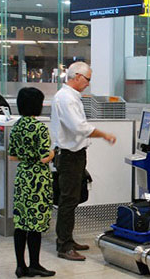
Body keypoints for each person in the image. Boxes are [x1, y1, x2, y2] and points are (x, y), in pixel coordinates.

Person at [51, 61, 116, 261]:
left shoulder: (71, 97)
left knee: (75, 197)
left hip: (75, 154)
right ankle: (64, 246)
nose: (88, 83)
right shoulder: (66, 98)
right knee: (68, 201)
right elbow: (79, 127)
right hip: (69, 156)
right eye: (87, 79)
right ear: (77, 76)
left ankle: (67, 239)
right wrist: (104, 134)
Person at [8, 87, 56, 278]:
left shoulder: (17, 125)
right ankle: (35, 264)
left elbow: (12, 156)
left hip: (23, 176)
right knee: (35, 223)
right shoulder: (39, 127)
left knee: (21, 223)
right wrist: (53, 153)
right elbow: (45, 157)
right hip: (38, 178)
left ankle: (20, 266)